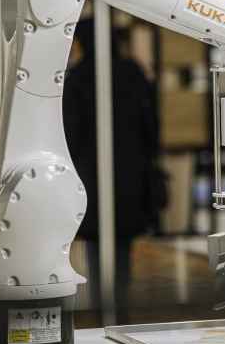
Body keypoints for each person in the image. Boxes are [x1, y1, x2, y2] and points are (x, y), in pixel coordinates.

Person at [63, 19, 166, 305]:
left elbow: (71, 133)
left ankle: (102, 300)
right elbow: (151, 125)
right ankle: (119, 298)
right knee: (122, 242)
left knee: (97, 241)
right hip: (130, 170)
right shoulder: (132, 72)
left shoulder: (77, 78)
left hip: (90, 173)